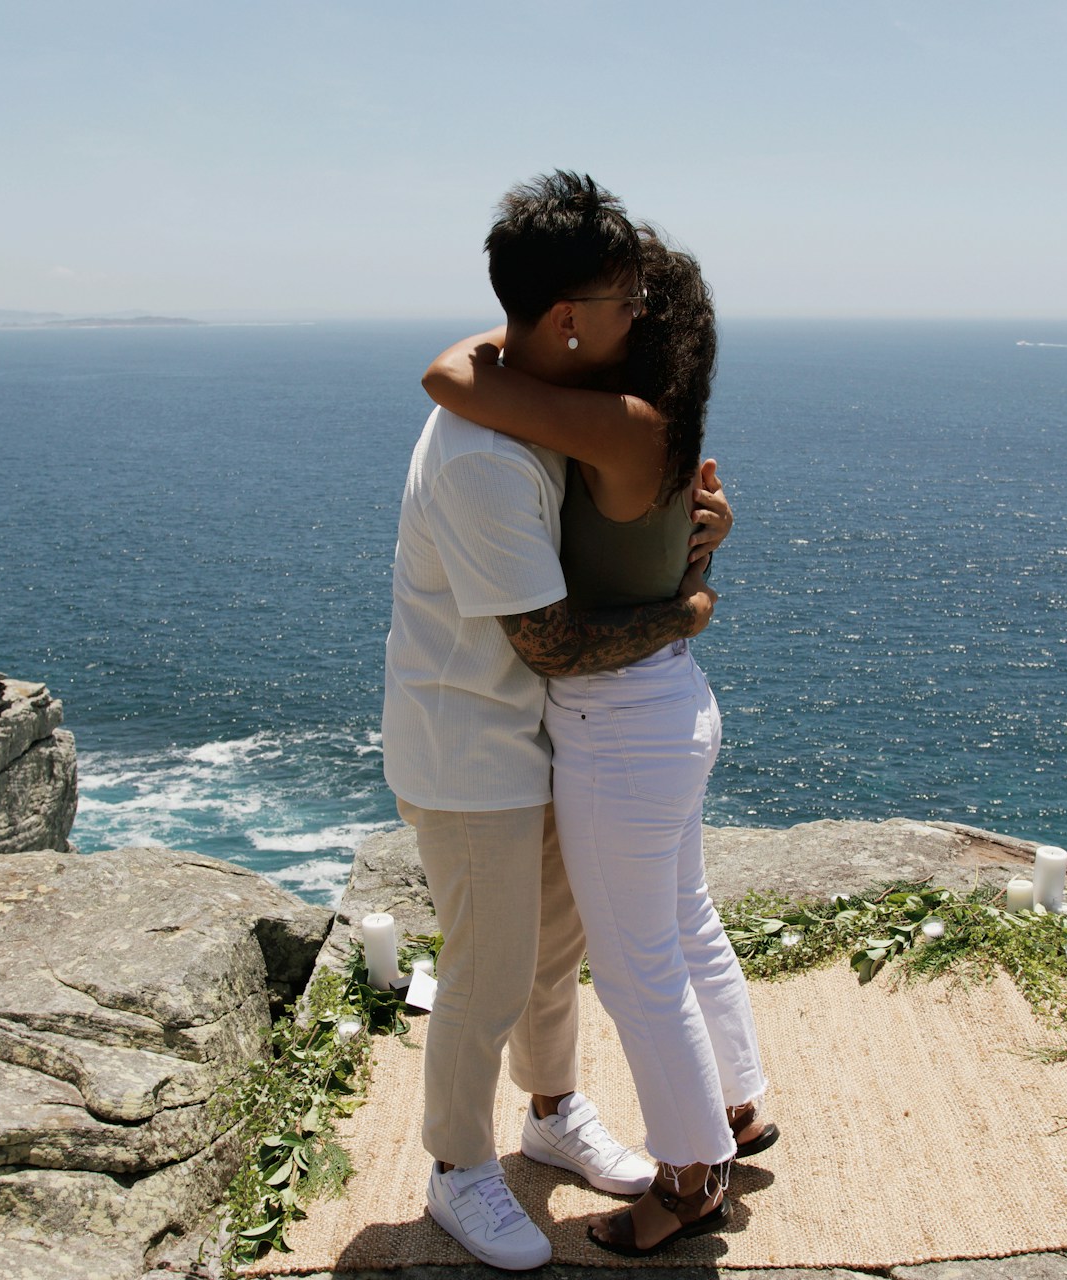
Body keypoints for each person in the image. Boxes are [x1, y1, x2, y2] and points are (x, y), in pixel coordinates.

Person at [380, 171, 733, 1271]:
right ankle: (456, 1168)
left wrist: (691, 526)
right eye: (628, 298)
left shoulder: (519, 381)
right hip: (469, 741)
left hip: (535, 735)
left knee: (552, 952)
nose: (644, 316)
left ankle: (551, 1110)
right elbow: (553, 641)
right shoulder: (484, 457)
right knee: (487, 967)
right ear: (569, 321)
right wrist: (688, 609)